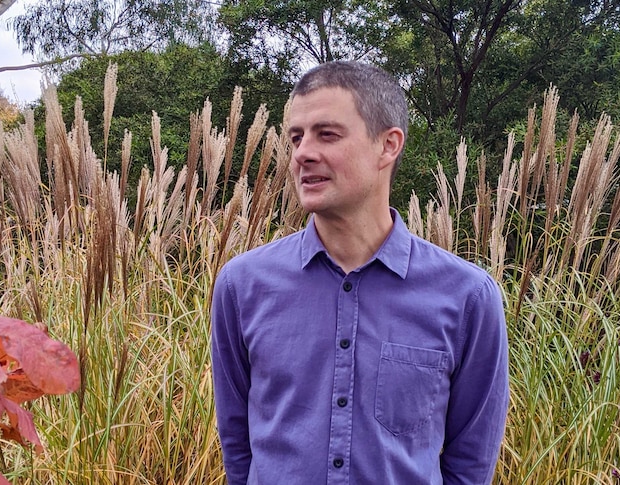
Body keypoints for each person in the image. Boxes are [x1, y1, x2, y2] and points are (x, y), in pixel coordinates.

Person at [211, 60, 509, 485]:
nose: (302, 153)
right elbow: (237, 444)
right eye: (295, 137)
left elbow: (471, 461)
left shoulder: (467, 296)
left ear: (388, 145)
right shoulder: (242, 285)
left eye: (326, 134)